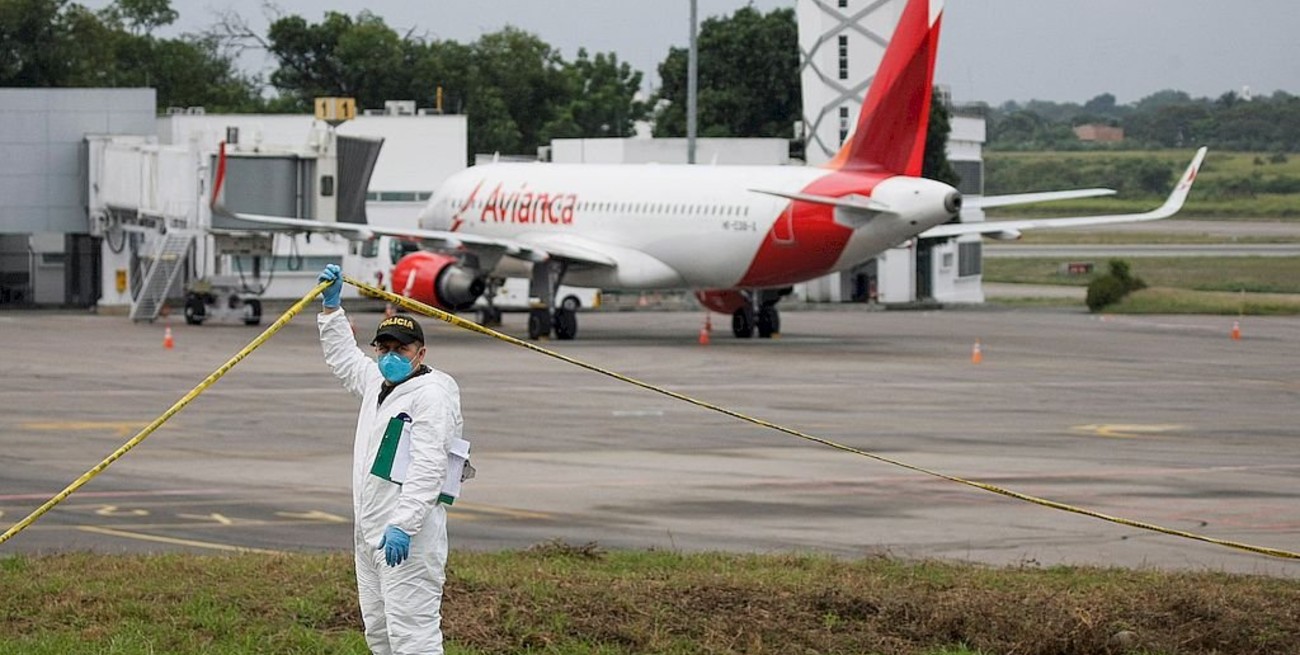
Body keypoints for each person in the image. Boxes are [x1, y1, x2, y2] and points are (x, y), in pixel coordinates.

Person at [316, 263, 461, 655]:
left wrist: (404, 525)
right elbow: (345, 361)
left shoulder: (430, 397)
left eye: (402, 349)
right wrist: (332, 309)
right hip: (369, 535)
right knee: (379, 634)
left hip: (408, 539)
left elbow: (429, 466)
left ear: (420, 353)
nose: (391, 355)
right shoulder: (378, 384)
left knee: (412, 637)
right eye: (385, 348)